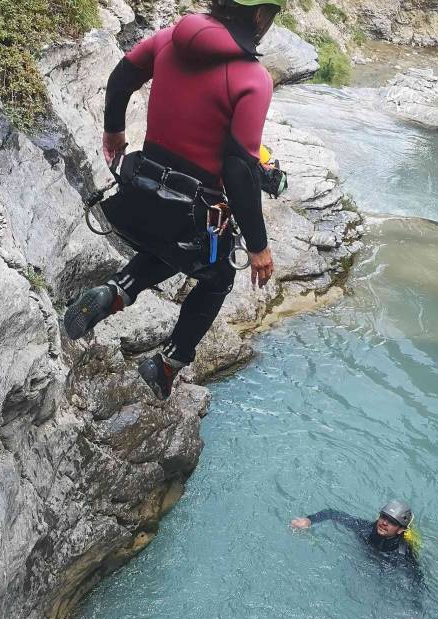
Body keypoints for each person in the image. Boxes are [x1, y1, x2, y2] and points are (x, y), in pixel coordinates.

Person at [63, 0, 285, 401]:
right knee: (216, 277)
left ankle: (115, 292)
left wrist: (113, 131)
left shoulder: (170, 38)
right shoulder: (252, 79)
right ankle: (169, 363)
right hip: (191, 211)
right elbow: (238, 169)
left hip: (140, 195)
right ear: (258, 16)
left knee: (177, 244)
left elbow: (121, 78)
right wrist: (258, 245)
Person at [290, 500, 425, 619]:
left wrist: (414, 614)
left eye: (392, 522)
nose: (384, 523)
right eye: (383, 517)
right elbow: (332, 514)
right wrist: (309, 520)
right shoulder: (364, 528)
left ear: (400, 529)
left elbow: (416, 583)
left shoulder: (403, 554)